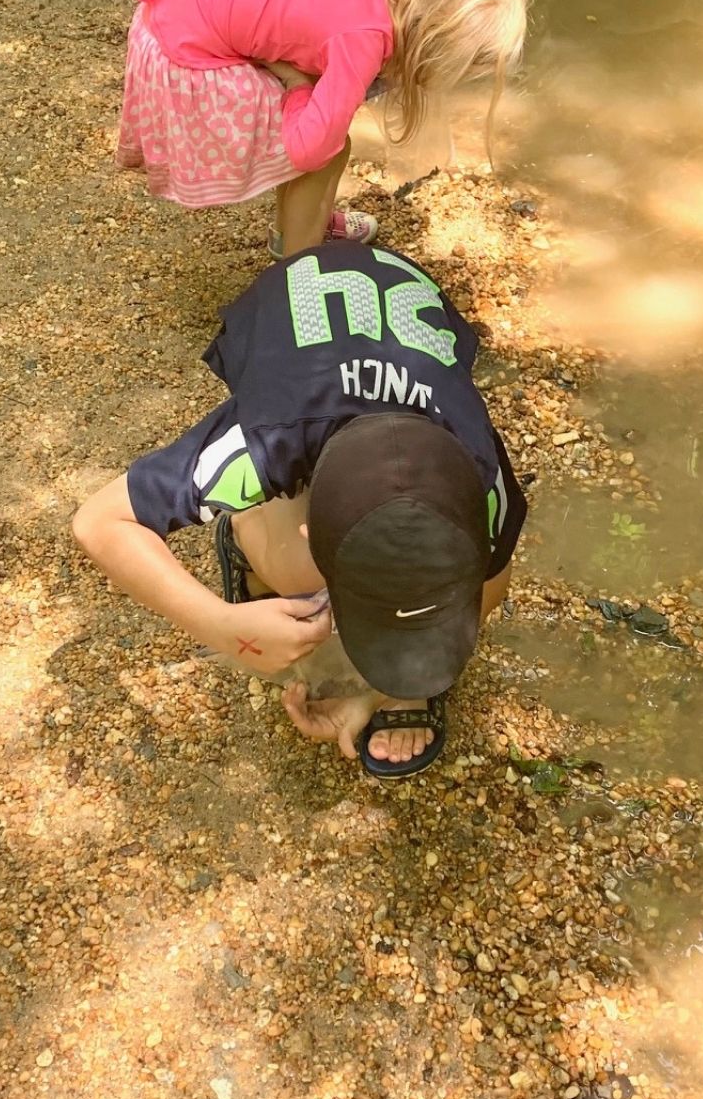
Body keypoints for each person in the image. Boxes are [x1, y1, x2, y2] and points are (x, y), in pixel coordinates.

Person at [72, 241, 527, 779]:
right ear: (315, 532)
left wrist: (381, 693)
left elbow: (491, 577)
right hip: (292, 321)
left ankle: (398, 663)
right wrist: (222, 627)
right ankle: (248, 539)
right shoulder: (263, 444)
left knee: (491, 579)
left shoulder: (481, 468)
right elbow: (97, 522)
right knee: (293, 572)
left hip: (400, 318)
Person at [115, 0, 527, 258]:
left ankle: (304, 225)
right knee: (325, 152)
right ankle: (298, 268)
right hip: (184, 57)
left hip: (171, 11)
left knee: (330, 140)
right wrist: (297, 84)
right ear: (436, 44)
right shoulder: (365, 37)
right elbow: (307, 150)